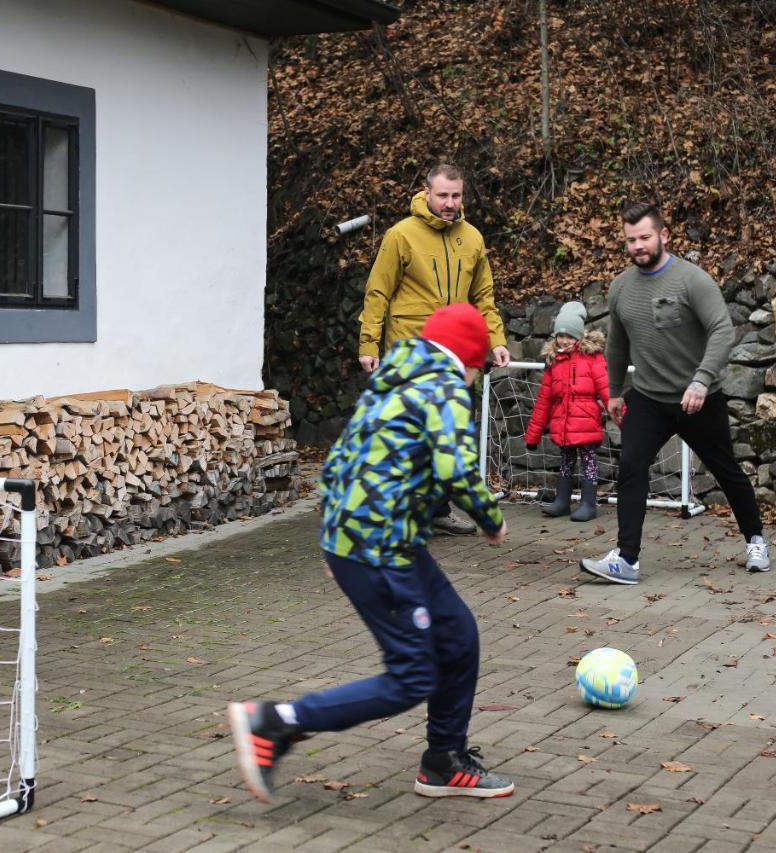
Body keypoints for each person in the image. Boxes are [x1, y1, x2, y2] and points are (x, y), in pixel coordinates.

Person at [229, 303, 514, 804]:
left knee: (458, 635)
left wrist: (332, 535)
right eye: (479, 368)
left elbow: (341, 457)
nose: (474, 379)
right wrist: (491, 519)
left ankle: (443, 761)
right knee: (413, 675)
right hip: (379, 549)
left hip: (377, 542)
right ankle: (275, 722)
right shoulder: (444, 386)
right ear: (468, 359)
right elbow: (456, 468)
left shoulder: (393, 380)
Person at [581, 202, 770, 585]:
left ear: (664, 236)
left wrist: (701, 380)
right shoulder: (620, 287)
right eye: (631, 239)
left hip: (698, 398)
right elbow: (617, 345)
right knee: (631, 467)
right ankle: (626, 559)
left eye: (645, 237)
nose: (638, 246)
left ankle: (755, 540)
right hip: (648, 399)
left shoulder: (691, 280)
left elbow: (721, 329)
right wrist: (615, 392)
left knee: (726, 471)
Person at [357, 163, 511, 535]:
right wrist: (368, 343)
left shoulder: (472, 238)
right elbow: (378, 292)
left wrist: (497, 339)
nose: (450, 203)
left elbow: (484, 297)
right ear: (427, 193)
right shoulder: (400, 235)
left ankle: (438, 510)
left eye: (456, 196)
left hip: (456, 356)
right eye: (443, 195)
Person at [523, 301, 609, 522]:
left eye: (569, 336)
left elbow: (607, 391)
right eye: (560, 335)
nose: (564, 340)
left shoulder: (593, 358)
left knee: (589, 460)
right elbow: (544, 400)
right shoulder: (554, 362)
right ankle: (562, 501)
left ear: (579, 336)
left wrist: (625, 422)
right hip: (563, 423)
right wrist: (532, 435)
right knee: (566, 460)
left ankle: (588, 504)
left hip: (587, 421)